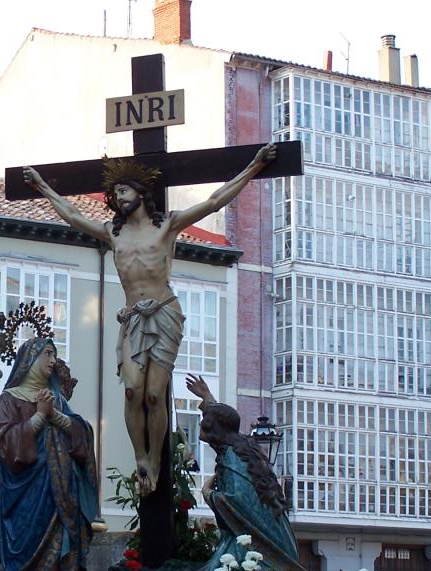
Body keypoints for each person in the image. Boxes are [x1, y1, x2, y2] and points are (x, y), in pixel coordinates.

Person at [23, 143, 277, 496]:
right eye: (114, 194)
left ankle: (156, 461)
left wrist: (253, 167)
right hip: (132, 319)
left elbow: (215, 200)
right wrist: (43, 187)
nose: (117, 197)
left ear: (141, 193)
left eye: (122, 190)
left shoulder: (168, 226)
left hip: (165, 314)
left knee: (155, 395)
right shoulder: (114, 233)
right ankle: (140, 456)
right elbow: (71, 215)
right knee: (131, 391)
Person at [184, 373, 319, 571]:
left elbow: (237, 500)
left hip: (250, 544)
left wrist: (209, 495)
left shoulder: (231, 458)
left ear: (213, 429)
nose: (200, 423)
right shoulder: (241, 446)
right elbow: (225, 420)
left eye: (205, 421)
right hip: (261, 537)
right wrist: (207, 398)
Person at [0, 338, 98, 571]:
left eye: (55, 355)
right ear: (30, 358)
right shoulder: (10, 399)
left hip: (61, 499)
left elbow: (82, 434)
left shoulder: (59, 401)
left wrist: (54, 414)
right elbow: (7, 447)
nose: (53, 361)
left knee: (61, 556)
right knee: (29, 561)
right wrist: (39, 416)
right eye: (48, 354)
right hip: (27, 498)